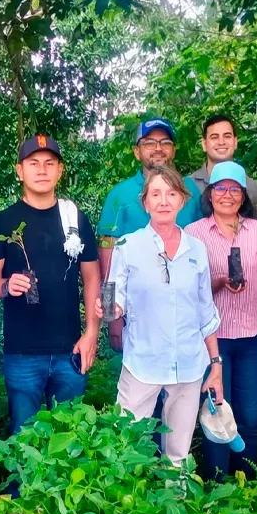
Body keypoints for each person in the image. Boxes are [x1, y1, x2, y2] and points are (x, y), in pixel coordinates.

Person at [97, 165, 224, 467]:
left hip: (188, 365)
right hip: (142, 363)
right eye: (155, 194)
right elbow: (114, 296)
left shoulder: (197, 249)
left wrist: (216, 364)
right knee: (125, 447)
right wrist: (111, 310)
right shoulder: (128, 246)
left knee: (178, 456)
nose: (163, 201)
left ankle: (175, 496)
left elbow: (206, 311)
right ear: (145, 203)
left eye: (171, 193)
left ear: (182, 200)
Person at [0, 135, 100, 438]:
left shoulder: (75, 219)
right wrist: (6, 284)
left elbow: (92, 278)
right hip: (23, 353)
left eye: (49, 163)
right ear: (20, 171)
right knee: (25, 440)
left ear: (60, 171)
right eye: (33, 163)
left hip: (70, 351)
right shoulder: (3, 221)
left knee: (70, 439)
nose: (42, 170)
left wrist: (91, 333)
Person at [183, 161, 257, 481]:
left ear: (243, 196)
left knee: (251, 415)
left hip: (254, 337)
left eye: (234, 189)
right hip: (214, 342)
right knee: (215, 413)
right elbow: (189, 290)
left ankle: (246, 485)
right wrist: (218, 282)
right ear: (210, 194)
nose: (227, 195)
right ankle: (217, 486)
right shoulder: (194, 234)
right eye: (220, 188)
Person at [98, 118, 203, 353]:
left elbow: (203, 246)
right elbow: (107, 257)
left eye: (165, 142)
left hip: (185, 314)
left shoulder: (190, 192)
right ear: (137, 151)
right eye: (149, 143)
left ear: (173, 149)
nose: (158, 148)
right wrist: (111, 316)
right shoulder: (120, 195)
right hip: (135, 317)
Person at [187, 115, 257, 220]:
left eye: (227, 136)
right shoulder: (187, 185)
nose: (221, 142)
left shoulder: (250, 185)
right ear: (204, 144)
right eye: (214, 137)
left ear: (235, 142)